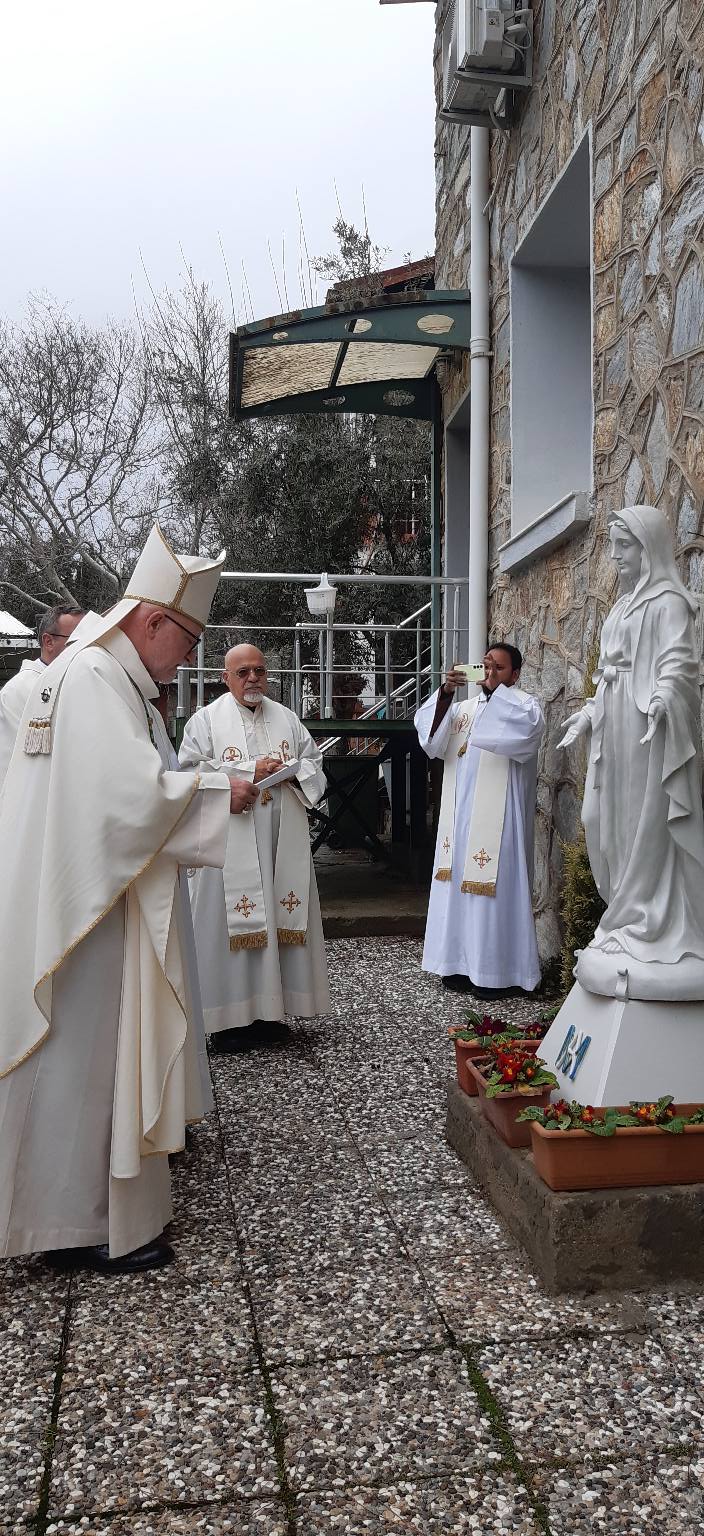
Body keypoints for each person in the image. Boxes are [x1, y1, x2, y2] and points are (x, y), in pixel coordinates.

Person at [0, 525, 258, 1274]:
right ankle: (71, 1224)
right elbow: (126, 799)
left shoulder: (103, 673)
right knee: (80, 1057)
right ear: (151, 621)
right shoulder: (95, 678)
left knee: (88, 1057)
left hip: (89, 895)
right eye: (187, 640)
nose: (188, 658)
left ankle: (80, 1213)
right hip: (85, 913)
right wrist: (218, 790)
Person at [558, 504, 704, 998]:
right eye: (614, 545)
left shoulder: (669, 603)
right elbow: (607, 674)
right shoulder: (621, 607)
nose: (615, 556)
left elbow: (679, 664)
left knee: (646, 822)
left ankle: (649, 919)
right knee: (603, 820)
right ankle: (623, 914)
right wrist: (589, 714)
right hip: (614, 728)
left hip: (648, 729)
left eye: (624, 546)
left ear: (649, 548)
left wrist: (664, 698)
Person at [179, 643, 331, 1047]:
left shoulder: (287, 719)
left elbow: (315, 764)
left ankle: (271, 1012)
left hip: (282, 840)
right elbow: (189, 772)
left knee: (280, 917)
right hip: (231, 841)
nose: (253, 679)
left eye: (259, 671)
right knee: (226, 925)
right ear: (225, 678)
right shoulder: (205, 721)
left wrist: (292, 772)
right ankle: (227, 1020)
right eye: (243, 672)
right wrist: (250, 769)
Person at [415, 644, 544, 995]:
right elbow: (431, 743)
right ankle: (457, 964)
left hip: (498, 824)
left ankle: (496, 973)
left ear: (515, 674)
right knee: (456, 889)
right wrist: (445, 692)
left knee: (493, 893)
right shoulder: (462, 710)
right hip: (458, 822)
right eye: (486, 665)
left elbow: (522, 735)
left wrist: (494, 691)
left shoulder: (525, 706)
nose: (489, 672)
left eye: (499, 667)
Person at [0, 604, 84, 789]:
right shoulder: (18, 690)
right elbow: (6, 764)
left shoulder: (81, 684)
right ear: (48, 641)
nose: (85, 647)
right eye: (77, 640)